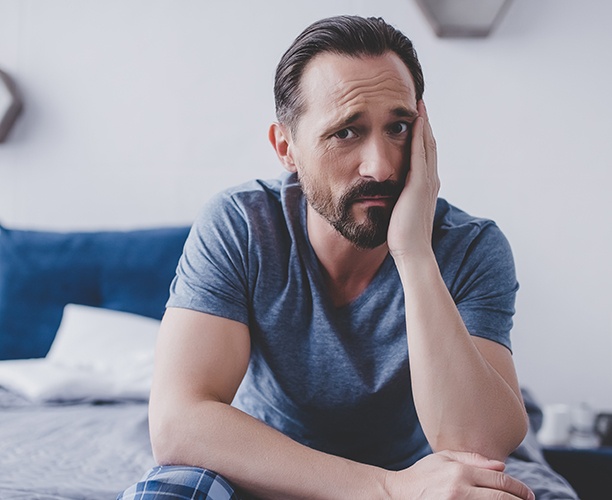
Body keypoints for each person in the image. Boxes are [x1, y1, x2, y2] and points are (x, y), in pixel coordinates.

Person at [119, 15, 576, 500]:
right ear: (286, 147)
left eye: (399, 127)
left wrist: (414, 252)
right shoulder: (243, 226)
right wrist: (385, 488)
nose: (380, 165)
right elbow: (178, 424)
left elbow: (479, 445)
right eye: (346, 132)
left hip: (432, 483)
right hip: (275, 473)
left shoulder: (471, 247)